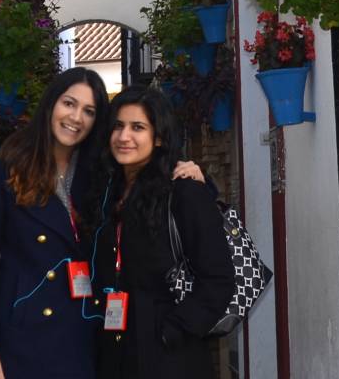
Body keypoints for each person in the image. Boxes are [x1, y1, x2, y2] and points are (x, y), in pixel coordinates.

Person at [0, 70, 203, 379]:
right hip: (21, 338)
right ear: (51, 104)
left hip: (88, 335)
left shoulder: (103, 172)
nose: (76, 117)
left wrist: (193, 175)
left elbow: (153, 181)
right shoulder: (6, 172)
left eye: (89, 111)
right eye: (69, 103)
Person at [90, 87, 235, 379]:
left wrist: (173, 331)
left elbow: (218, 279)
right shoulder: (107, 192)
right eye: (118, 126)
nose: (124, 136)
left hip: (169, 359)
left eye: (137, 127)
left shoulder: (183, 192)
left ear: (158, 138)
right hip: (117, 349)